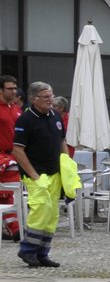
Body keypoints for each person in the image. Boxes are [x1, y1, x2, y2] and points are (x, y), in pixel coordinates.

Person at [12, 82, 67, 267]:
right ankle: (27, 250)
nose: (50, 99)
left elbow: (62, 141)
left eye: (51, 95)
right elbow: (18, 150)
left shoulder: (55, 116)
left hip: (55, 173)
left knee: (52, 215)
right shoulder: (25, 119)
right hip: (36, 173)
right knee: (40, 210)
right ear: (34, 99)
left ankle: (42, 253)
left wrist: (67, 164)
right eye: (46, 97)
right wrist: (33, 175)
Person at [0, 75, 23, 239]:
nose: (14, 91)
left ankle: (14, 227)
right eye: (10, 88)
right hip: (4, 156)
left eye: (15, 88)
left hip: (15, 154)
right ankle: (15, 227)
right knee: (11, 189)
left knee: (10, 192)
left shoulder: (15, 108)